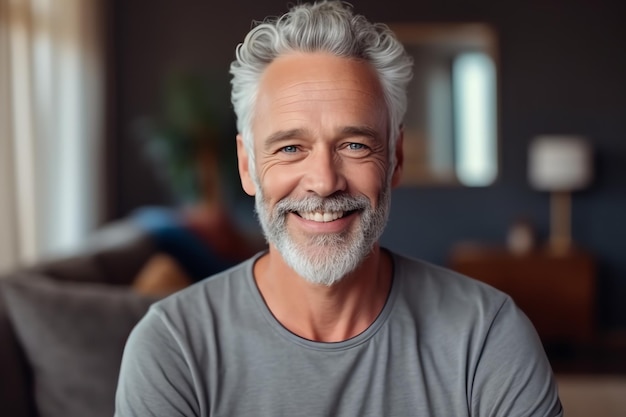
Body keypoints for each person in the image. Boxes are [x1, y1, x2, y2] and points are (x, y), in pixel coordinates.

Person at [115, 1, 563, 416]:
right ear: (248, 167)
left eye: (354, 144)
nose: (324, 181)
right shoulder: (172, 348)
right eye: (291, 147)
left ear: (396, 159)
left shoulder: (488, 336)